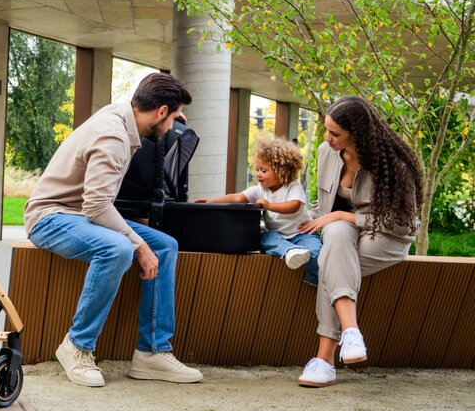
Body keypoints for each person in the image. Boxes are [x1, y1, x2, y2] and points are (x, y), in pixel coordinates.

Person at [23, 72, 203, 387]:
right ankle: (77, 345)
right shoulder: (113, 136)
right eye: (174, 117)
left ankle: (152, 351)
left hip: (81, 215)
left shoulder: (124, 116)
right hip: (51, 217)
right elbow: (96, 206)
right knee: (118, 248)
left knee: (165, 245)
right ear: (161, 111)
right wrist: (138, 245)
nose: (174, 125)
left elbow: (95, 204)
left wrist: (171, 116)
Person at [295, 95, 423, 388]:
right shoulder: (327, 152)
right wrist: (305, 220)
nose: (327, 138)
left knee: (331, 262)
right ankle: (351, 333)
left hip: (386, 237)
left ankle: (325, 360)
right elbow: (323, 203)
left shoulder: (395, 164)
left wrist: (344, 215)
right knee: (335, 237)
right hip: (341, 234)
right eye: (326, 130)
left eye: (335, 133)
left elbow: (403, 222)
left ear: (358, 134)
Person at [199, 133, 321, 286]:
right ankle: (290, 251)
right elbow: (237, 198)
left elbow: (294, 205)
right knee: (264, 238)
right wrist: (213, 201)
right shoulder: (260, 190)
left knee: (315, 251)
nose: (258, 174)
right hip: (278, 237)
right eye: (257, 169)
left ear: (281, 171)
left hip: (302, 234)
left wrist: (269, 206)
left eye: (263, 170)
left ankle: (312, 281)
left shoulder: (293, 186)